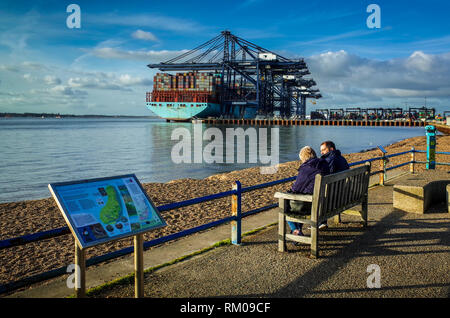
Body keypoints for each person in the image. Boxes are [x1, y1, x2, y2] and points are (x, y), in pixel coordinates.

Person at [287, 146, 329, 237]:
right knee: (298, 204)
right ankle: (298, 230)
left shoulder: (307, 168)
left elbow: (296, 188)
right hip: (325, 203)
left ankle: (296, 230)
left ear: (303, 157)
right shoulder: (324, 164)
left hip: (312, 205)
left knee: (285, 205)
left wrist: (289, 192)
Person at [315, 140, 350, 229]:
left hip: (334, 198)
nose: (322, 152)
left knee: (319, 196)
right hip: (345, 194)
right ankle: (321, 222)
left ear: (331, 149)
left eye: (323, 150)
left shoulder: (330, 160)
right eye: (321, 150)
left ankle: (321, 222)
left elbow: (326, 177)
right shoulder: (342, 158)